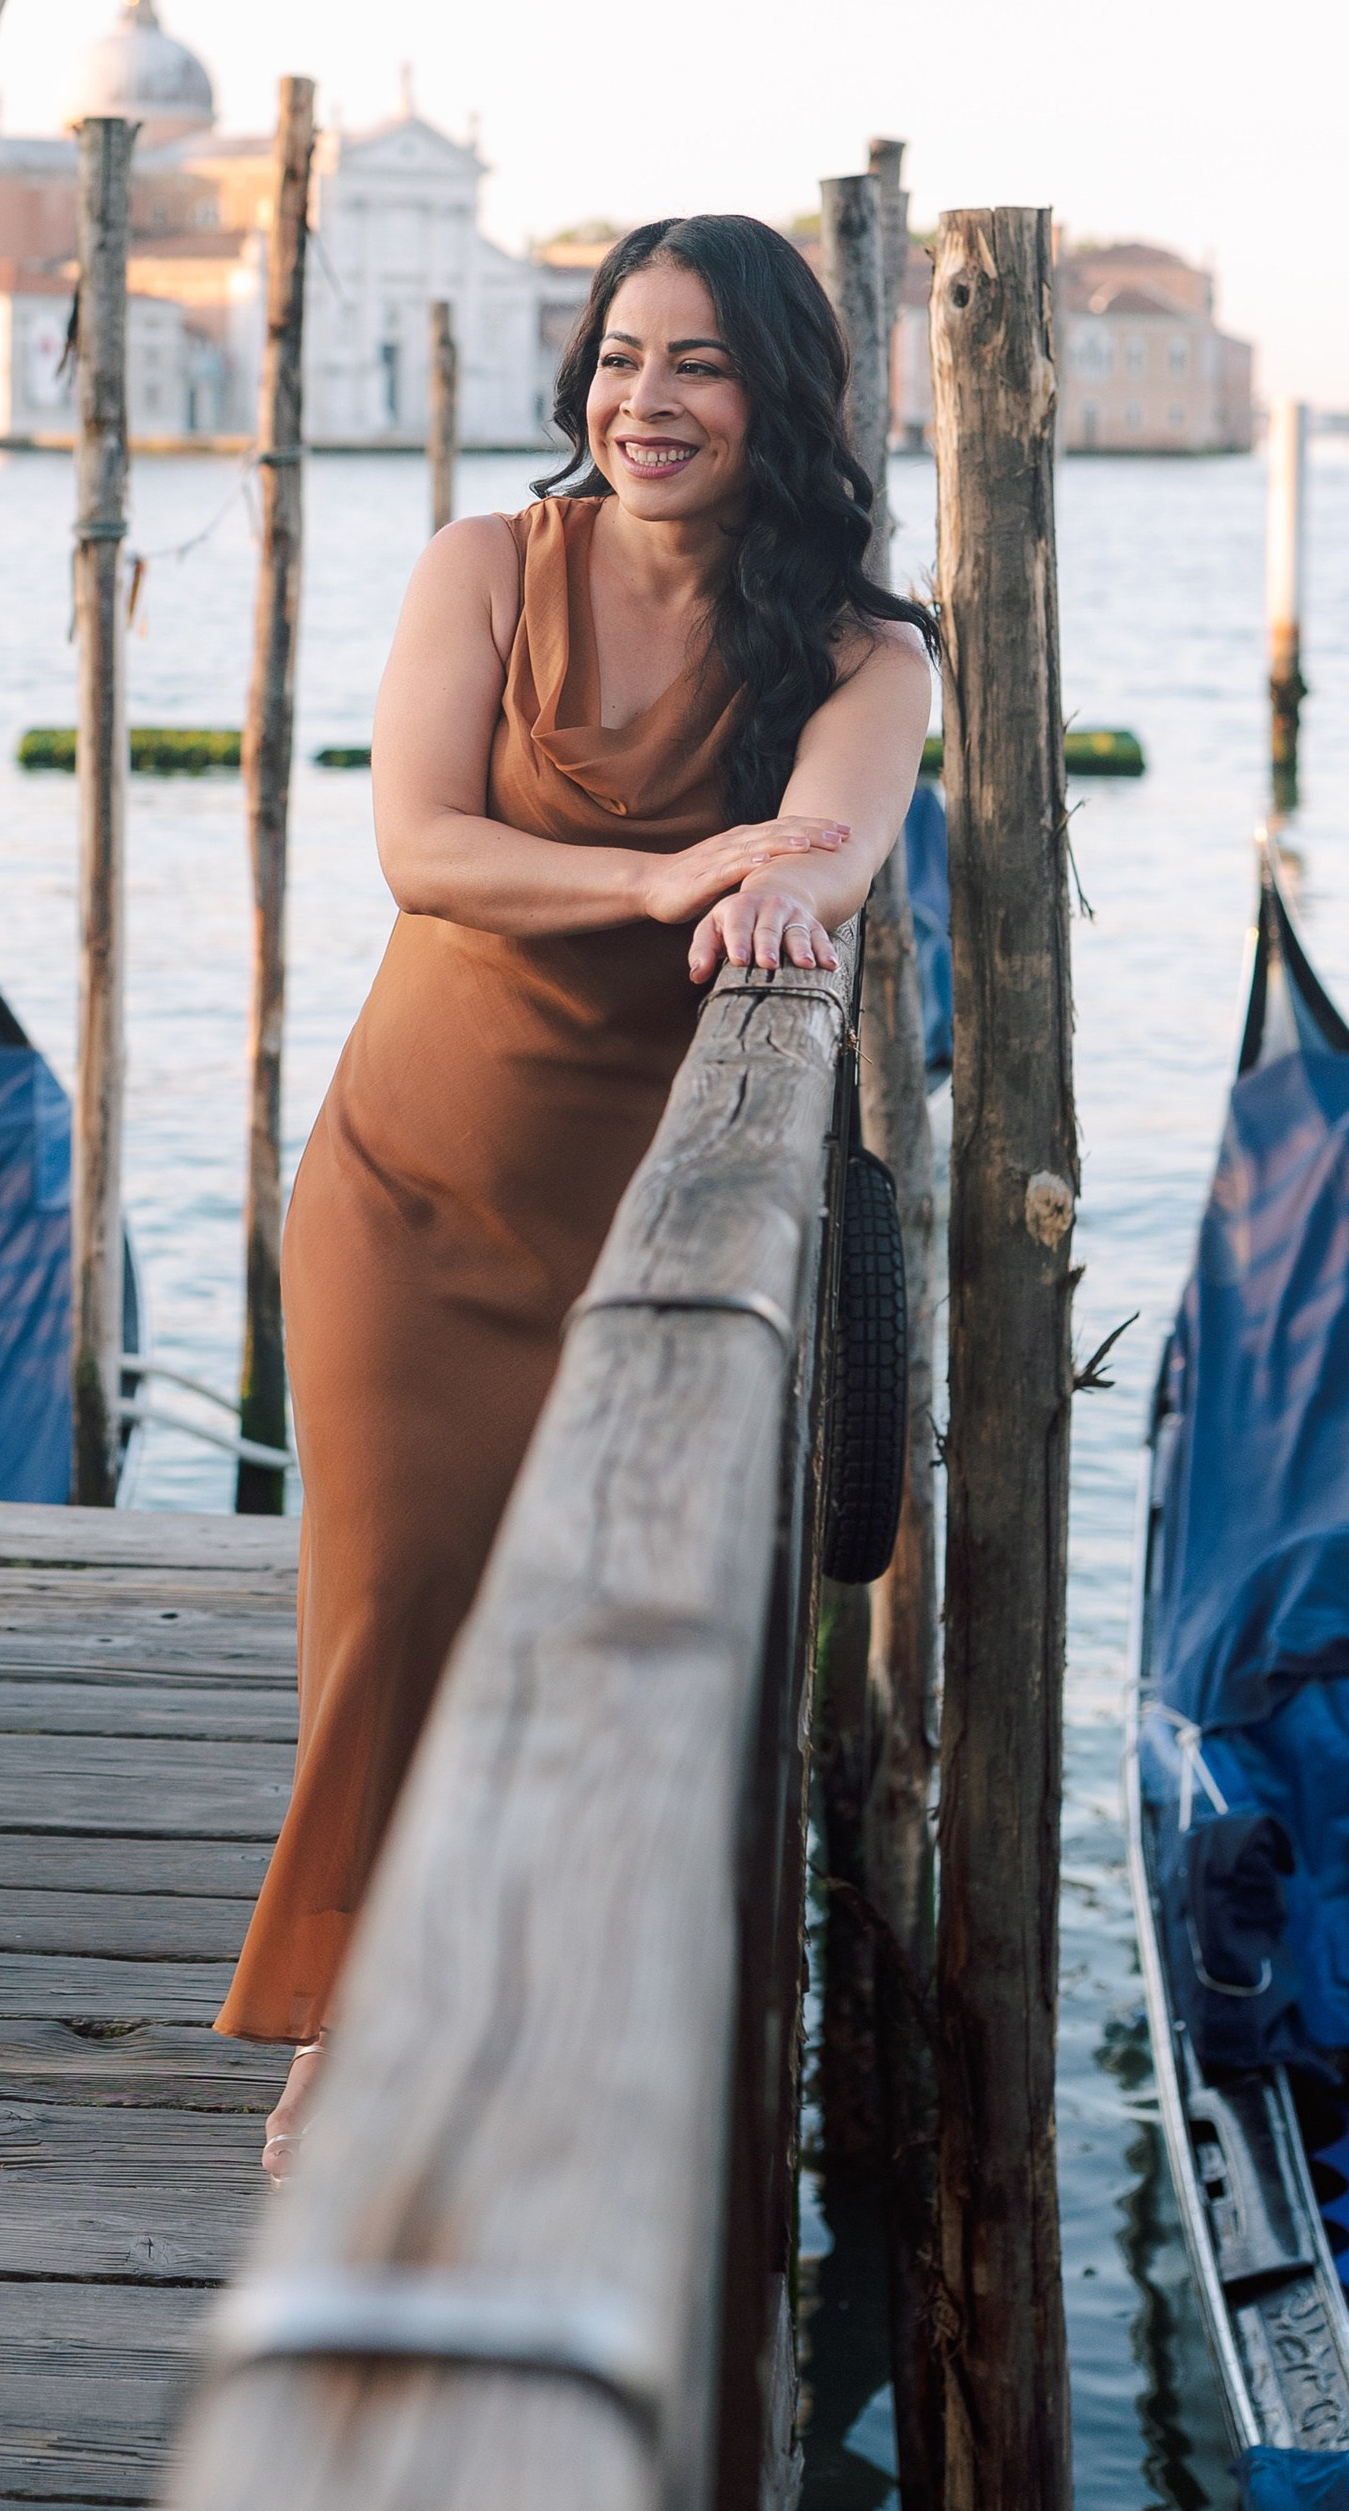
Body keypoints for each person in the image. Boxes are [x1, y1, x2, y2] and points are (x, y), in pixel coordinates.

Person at [216, 214, 933, 2176]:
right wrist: (649, 878)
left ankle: (534, 2004)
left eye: (694, 363)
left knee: (596, 1626)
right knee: (393, 1603)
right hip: (402, 1187)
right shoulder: (478, 567)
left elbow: (836, 838)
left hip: (647, 1221)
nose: (643, 399)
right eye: (618, 357)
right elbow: (419, 847)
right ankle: (345, 2031)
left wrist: (781, 884)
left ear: (774, 395)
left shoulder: (866, 651)